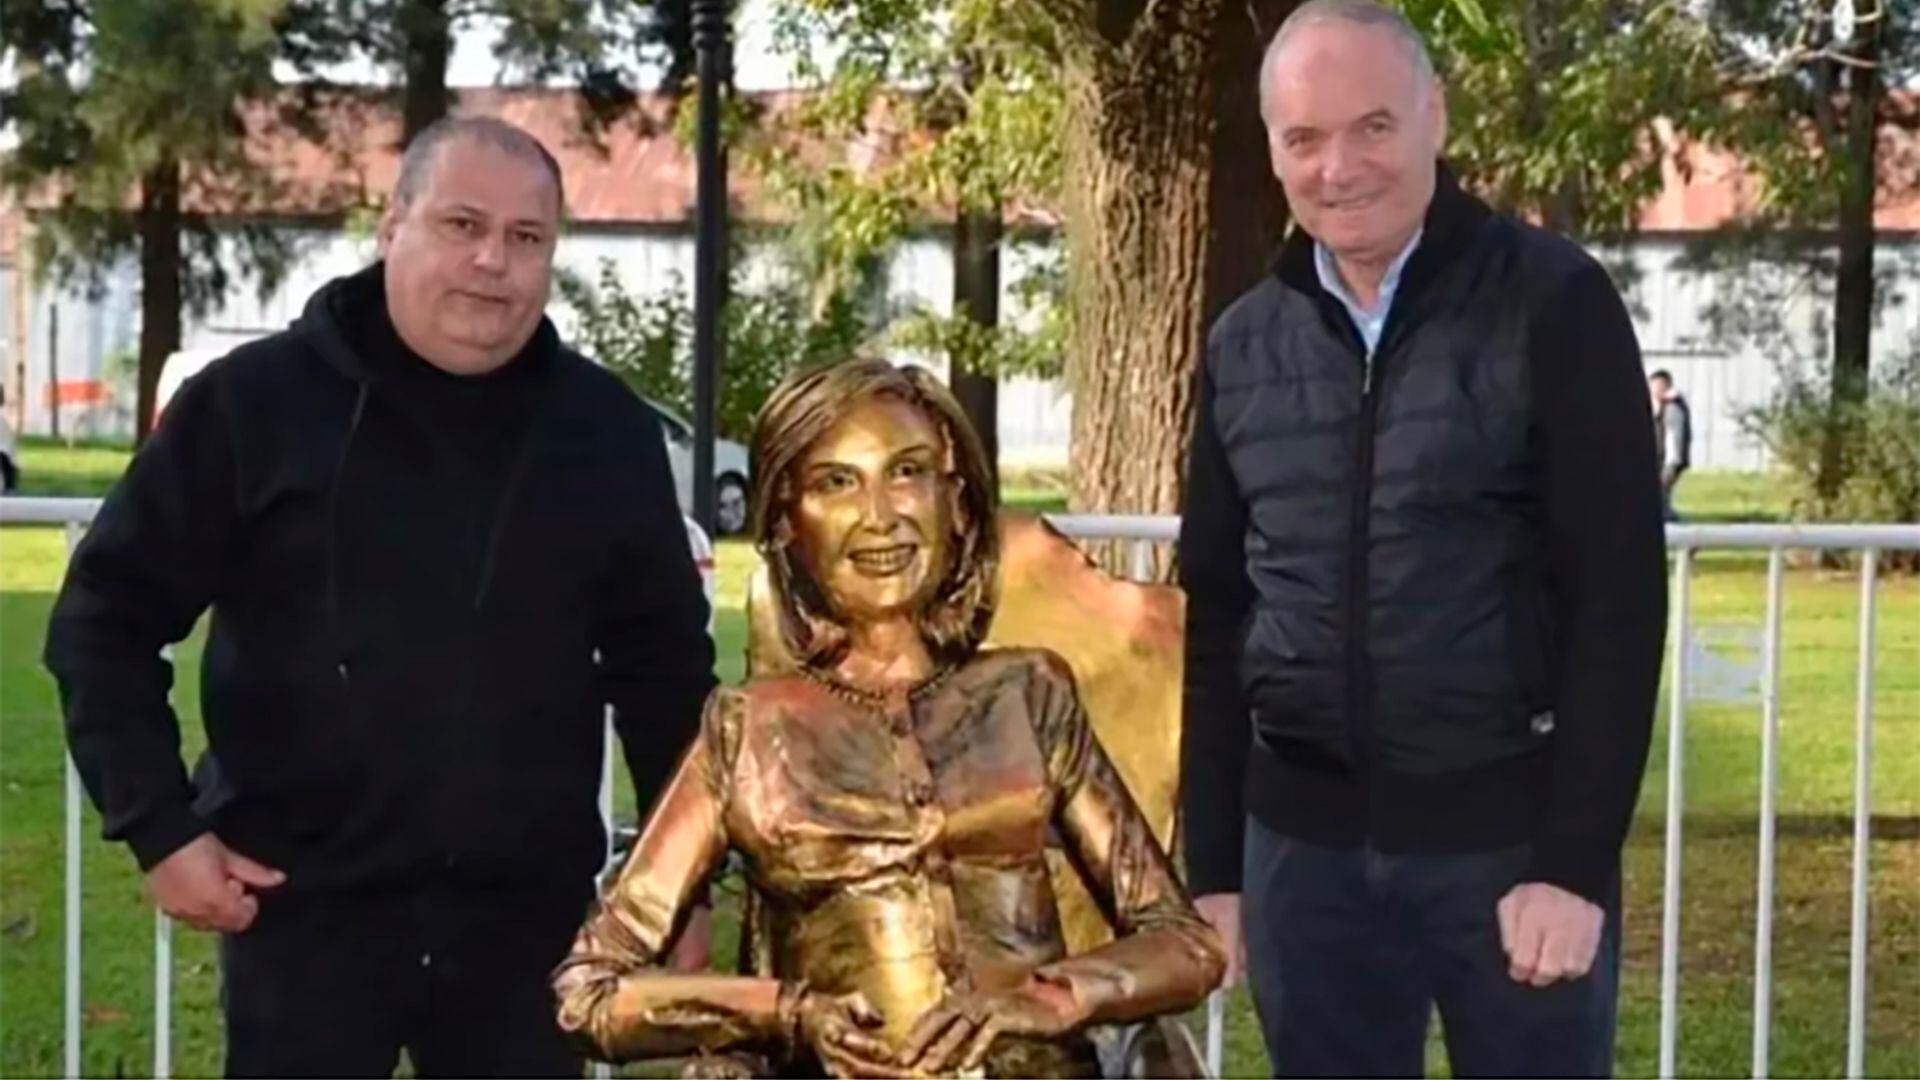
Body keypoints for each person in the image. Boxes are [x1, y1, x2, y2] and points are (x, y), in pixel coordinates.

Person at [44, 116, 716, 1078]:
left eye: (526, 237)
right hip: (297, 917)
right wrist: (160, 830)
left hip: (525, 934)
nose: (493, 261)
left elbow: (667, 677)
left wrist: (681, 883)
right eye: (462, 224)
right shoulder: (250, 408)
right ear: (392, 224)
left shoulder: (605, 433)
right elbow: (103, 623)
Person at [1177, 2, 1667, 1076]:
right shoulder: (1241, 344)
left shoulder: (1556, 303)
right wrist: (1214, 866)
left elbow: (1619, 603)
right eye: (1304, 138)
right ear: (1273, 149)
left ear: (1435, 116)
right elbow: (1215, 616)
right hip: (1301, 862)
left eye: (1373, 127)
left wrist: (1572, 865)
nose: (1338, 167)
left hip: (1510, 853)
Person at [553, 358, 1224, 1078]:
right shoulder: (748, 731)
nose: (880, 516)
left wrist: (1054, 996)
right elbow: (588, 993)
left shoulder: (1029, 694)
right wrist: (786, 1011)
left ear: (956, 502)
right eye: (836, 483)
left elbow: (1186, 942)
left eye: (907, 472)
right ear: (788, 523)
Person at [1649, 369, 1693, 521]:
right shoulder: (1662, 406)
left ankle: (1670, 518)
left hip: (1670, 460)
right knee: (1661, 497)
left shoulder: (1673, 407)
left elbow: (1674, 437)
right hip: (1664, 460)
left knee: (1661, 495)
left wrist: (1671, 464)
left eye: (1657, 386)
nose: (1654, 390)